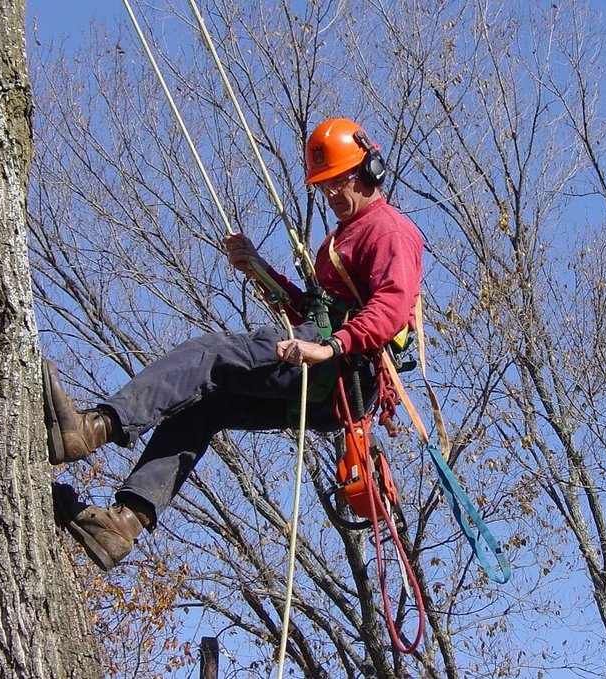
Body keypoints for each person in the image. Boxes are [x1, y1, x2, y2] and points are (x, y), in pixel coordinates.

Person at [45, 118, 424, 571]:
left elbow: (392, 306)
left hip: (343, 372)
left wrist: (332, 347)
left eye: (339, 182)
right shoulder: (339, 240)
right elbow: (313, 313)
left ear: (370, 170)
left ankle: (93, 428)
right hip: (329, 372)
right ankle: (123, 523)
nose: (332, 195)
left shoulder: (388, 230)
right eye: (324, 187)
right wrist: (259, 269)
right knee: (206, 405)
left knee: (211, 355)